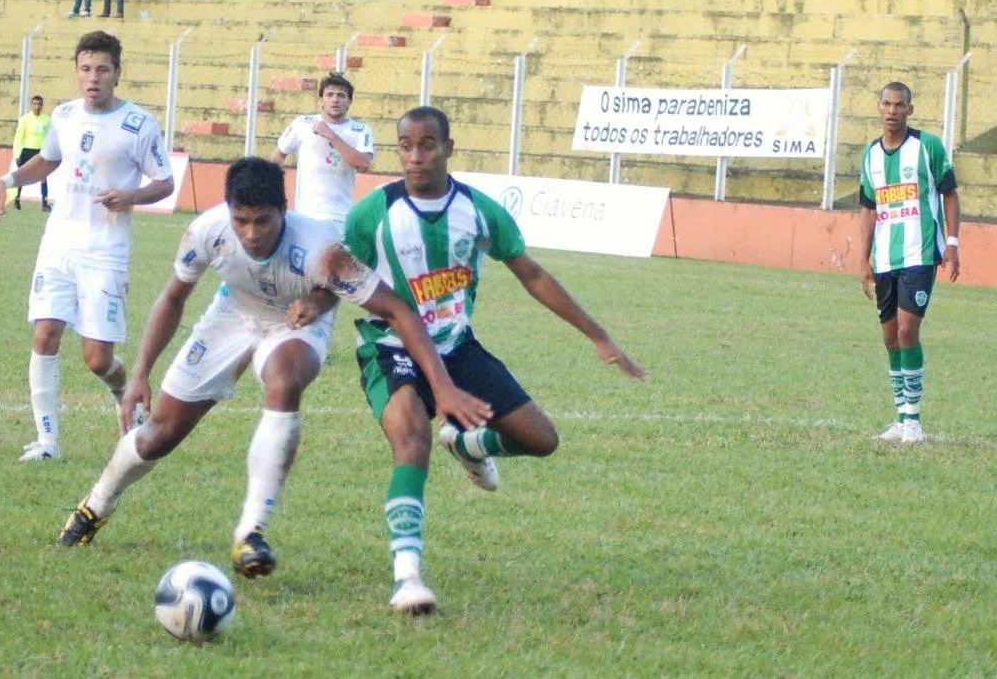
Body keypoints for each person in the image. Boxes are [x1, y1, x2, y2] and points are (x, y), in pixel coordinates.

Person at [55, 157, 492, 583]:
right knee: (158, 436)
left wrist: (319, 304)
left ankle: (251, 533)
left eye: (263, 221)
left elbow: (396, 308)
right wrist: (140, 373)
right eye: (241, 220)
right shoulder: (206, 232)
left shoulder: (321, 249)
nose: (251, 233)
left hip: (294, 327)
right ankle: (96, 506)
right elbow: (173, 298)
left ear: (284, 211)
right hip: (231, 316)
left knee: (284, 380)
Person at [337, 106, 647, 615]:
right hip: (390, 348)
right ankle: (407, 577)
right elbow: (342, 273)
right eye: (406, 146)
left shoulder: (480, 211)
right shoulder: (371, 213)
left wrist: (598, 336)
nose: (416, 157)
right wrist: (309, 305)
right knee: (411, 437)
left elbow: (533, 274)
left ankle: (468, 445)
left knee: (542, 440)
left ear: (449, 147)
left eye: (428, 145)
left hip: (457, 347)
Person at [0, 31, 174, 462]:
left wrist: (131, 197)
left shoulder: (139, 124)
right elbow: (49, 160)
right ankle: (48, 441)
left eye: (102, 69)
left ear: (117, 74)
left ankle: (124, 392)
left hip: (105, 251)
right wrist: (8, 179)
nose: (93, 78)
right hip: (58, 243)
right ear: (77, 71)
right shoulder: (65, 115)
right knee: (45, 333)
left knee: (96, 358)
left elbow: (165, 183)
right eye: (86, 69)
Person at [858, 81, 960, 445]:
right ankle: (900, 419)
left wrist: (951, 242)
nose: (892, 110)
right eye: (886, 103)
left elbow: (950, 194)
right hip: (885, 259)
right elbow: (869, 209)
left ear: (910, 109)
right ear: (879, 106)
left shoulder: (928, 147)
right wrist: (863, 259)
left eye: (899, 105)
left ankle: (914, 422)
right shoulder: (869, 154)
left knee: (906, 333)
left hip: (920, 256)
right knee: (889, 340)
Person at [270, 72, 374, 237]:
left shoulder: (360, 130)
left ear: (349, 102)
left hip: (341, 216)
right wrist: (273, 191)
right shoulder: (302, 123)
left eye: (341, 95)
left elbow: (363, 164)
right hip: (306, 214)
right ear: (321, 101)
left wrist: (331, 135)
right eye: (329, 95)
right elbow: (278, 156)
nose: (335, 99)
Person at [12, 95, 51, 212]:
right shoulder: (25, 119)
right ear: (31, 105)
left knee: (43, 177)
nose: (37, 106)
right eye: (35, 104)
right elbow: (18, 138)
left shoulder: (47, 120)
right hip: (27, 151)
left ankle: (44, 204)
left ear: (42, 106)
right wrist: (17, 154)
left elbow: (50, 137)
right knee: (22, 176)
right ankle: (17, 200)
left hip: (41, 152)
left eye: (39, 104)